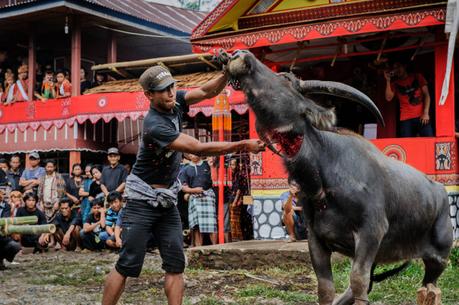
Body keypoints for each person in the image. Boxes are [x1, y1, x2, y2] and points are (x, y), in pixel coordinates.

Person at [102, 65, 265, 305]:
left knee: (176, 264)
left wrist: (227, 73)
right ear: (149, 95)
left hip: (167, 200)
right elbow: (197, 148)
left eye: (171, 87)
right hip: (141, 201)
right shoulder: (154, 125)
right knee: (127, 264)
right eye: (162, 90)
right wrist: (242, 145)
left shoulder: (175, 101)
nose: (170, 93)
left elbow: (206, 92)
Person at [384, 61, 433, 138]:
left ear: (405, 66)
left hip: (422, 116)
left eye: (398, 66)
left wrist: (426, 113)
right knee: (407, 145)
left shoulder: (417, 77)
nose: (397, 70)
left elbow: (427, 95)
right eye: (395, 68)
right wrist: (388, 80)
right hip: (406, 119)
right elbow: (388, 98)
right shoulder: (395, 84)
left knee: (429, 141)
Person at [180, 153, 217, 246]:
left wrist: (212, 166)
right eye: (190, 154)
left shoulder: (207, 165)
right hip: (195, 197)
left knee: (212, 224)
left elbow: (215, 179)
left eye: (195, 153)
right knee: (196, 226)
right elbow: (184, 187)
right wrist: (194, 190)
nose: (193, 155)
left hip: (208, 195)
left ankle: (216, 247)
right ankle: (198, 249)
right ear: (188, 156)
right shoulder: (186, 169)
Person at [37, 159, 66, 224]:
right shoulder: (42, 177)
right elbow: (39, 191)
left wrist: (58, 202)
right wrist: (41, 202)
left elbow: (62, 190)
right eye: (48, 167)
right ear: (45, 167)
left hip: (55, 204)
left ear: (54, 167)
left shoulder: (58, 176)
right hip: (44, 205)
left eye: (51, 167)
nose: (49, 169)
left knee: (55, 224)